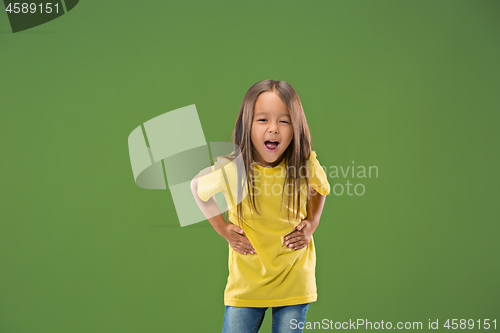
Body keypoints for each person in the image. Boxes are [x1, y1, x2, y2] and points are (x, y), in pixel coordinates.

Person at [190, 79, 330, 333]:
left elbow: (321, 189)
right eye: (263, 120)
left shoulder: (305, 163)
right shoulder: (232, 169)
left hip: (294, 280)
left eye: (284, 121)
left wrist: (313, 222)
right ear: (247, 125)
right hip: (247, 284)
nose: (274, 129)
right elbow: (196, 187)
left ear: (296, 127)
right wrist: (222, 228)